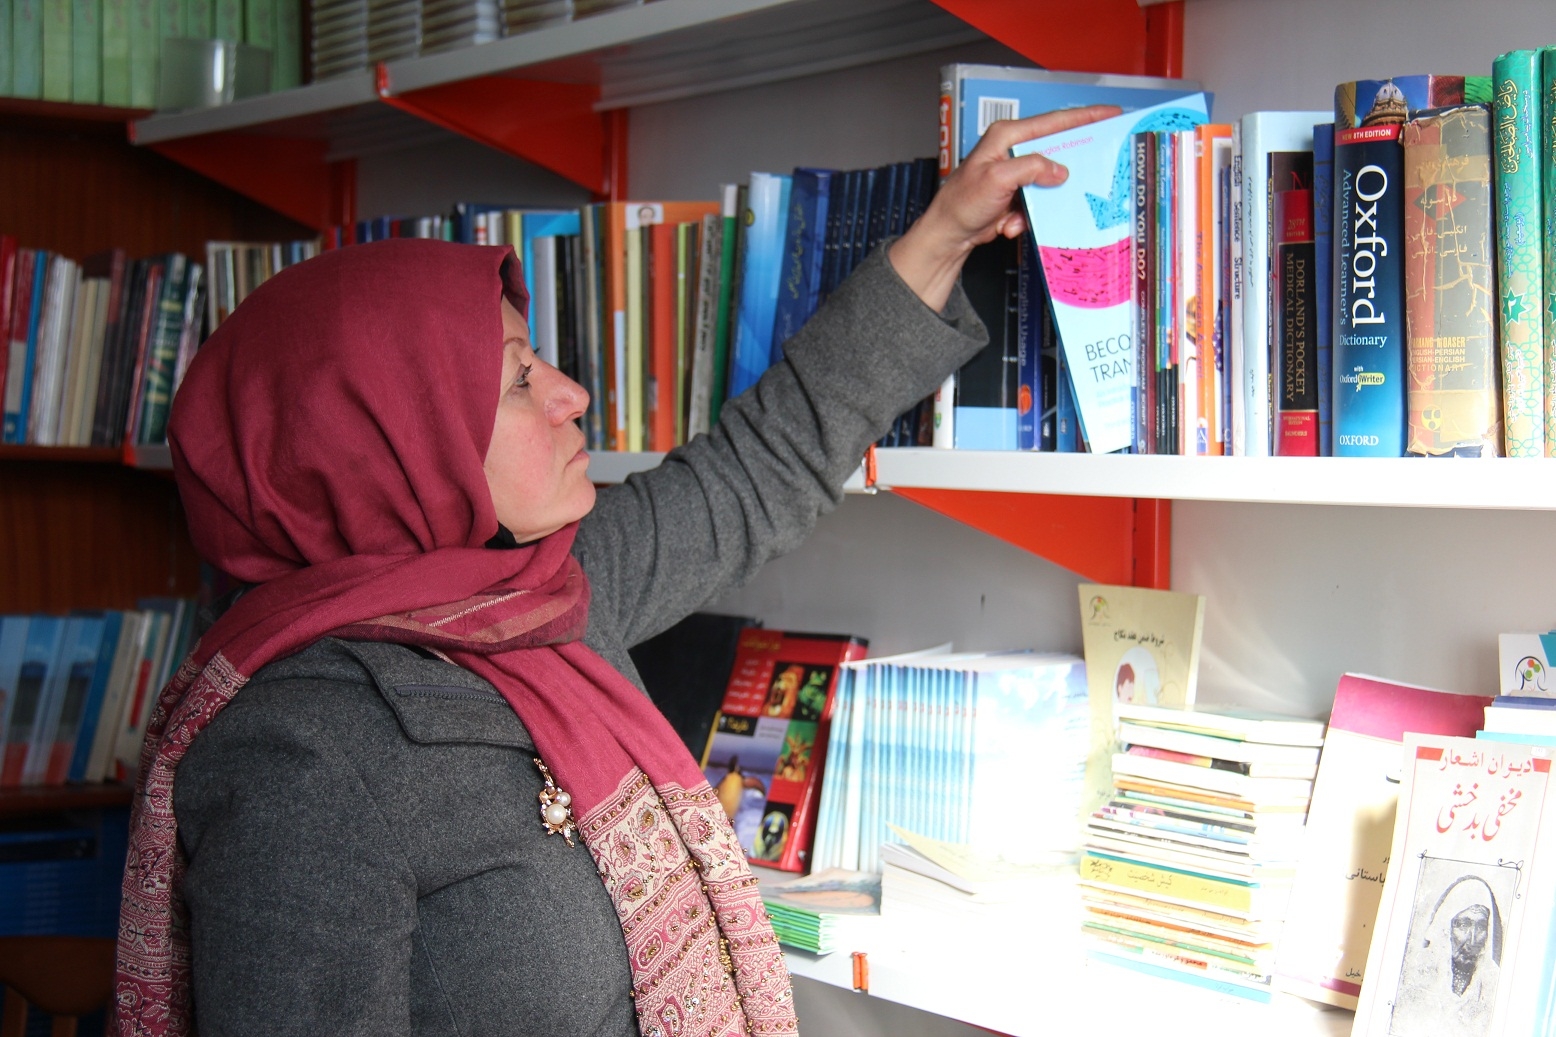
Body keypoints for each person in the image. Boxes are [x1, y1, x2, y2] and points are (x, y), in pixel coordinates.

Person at [113, 104, 1118, 1037]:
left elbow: (760, 464)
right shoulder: (302, 753)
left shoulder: (545, 593)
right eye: (516, 379)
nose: (572, 392)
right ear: (386, 439)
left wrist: (946, 228)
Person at [1389, 873, 1504, 1036]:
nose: (1472, 938)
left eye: (1481, 926)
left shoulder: (1495, 987)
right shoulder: (1417, 979)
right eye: (1464, 925)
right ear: (1446, 929)